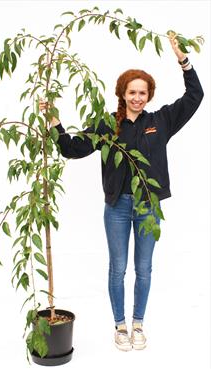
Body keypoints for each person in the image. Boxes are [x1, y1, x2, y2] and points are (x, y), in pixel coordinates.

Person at [39, 36, 203, 351]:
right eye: (132, 92)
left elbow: (195, 96)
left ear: (149, 95)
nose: (137, 98)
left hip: (148, 207)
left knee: (144, 268)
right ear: (122, 93)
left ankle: (138, 324)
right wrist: (55, 123)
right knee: (118, 267)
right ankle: (120, 326)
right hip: (116, 207)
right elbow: (72, 149)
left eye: (143, 93)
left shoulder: (161, 121)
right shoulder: (106, 125)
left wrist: (184, 61)